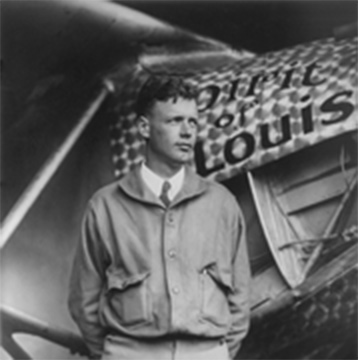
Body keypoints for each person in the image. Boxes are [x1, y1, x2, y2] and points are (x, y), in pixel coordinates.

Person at [68, 75, 251, 360]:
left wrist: (216, 353)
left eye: (192, 121)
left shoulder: (222, 204)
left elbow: (240, 297)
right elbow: (84, 301)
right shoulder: (105, 207)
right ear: (144, 127)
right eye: (175, 121)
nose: (188, 131)